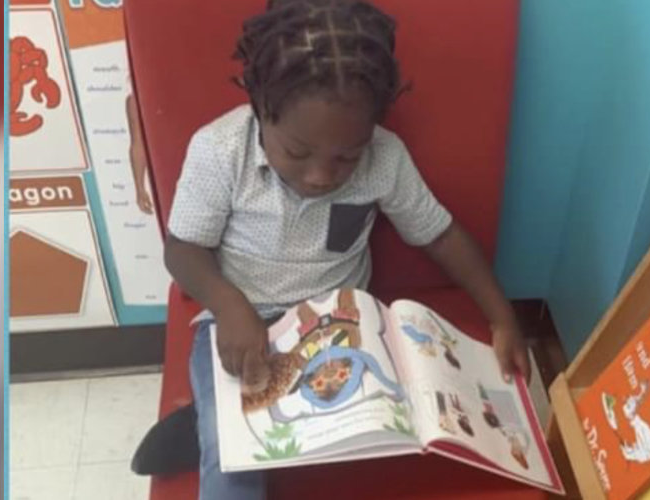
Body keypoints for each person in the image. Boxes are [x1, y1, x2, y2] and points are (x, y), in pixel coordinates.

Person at [146, 1, 529, 498]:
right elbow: (182, 250)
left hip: (340, 325)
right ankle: (209, 426)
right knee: (236, 467)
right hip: (241, 322)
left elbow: (440, 234)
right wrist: (229, 304)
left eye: (346, 157)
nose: (321, 177)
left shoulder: (384, 158)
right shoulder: (220, 151)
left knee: (397, 425)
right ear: (261, 109)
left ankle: (206, 420)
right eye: (298, 153)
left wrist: (502, 318)